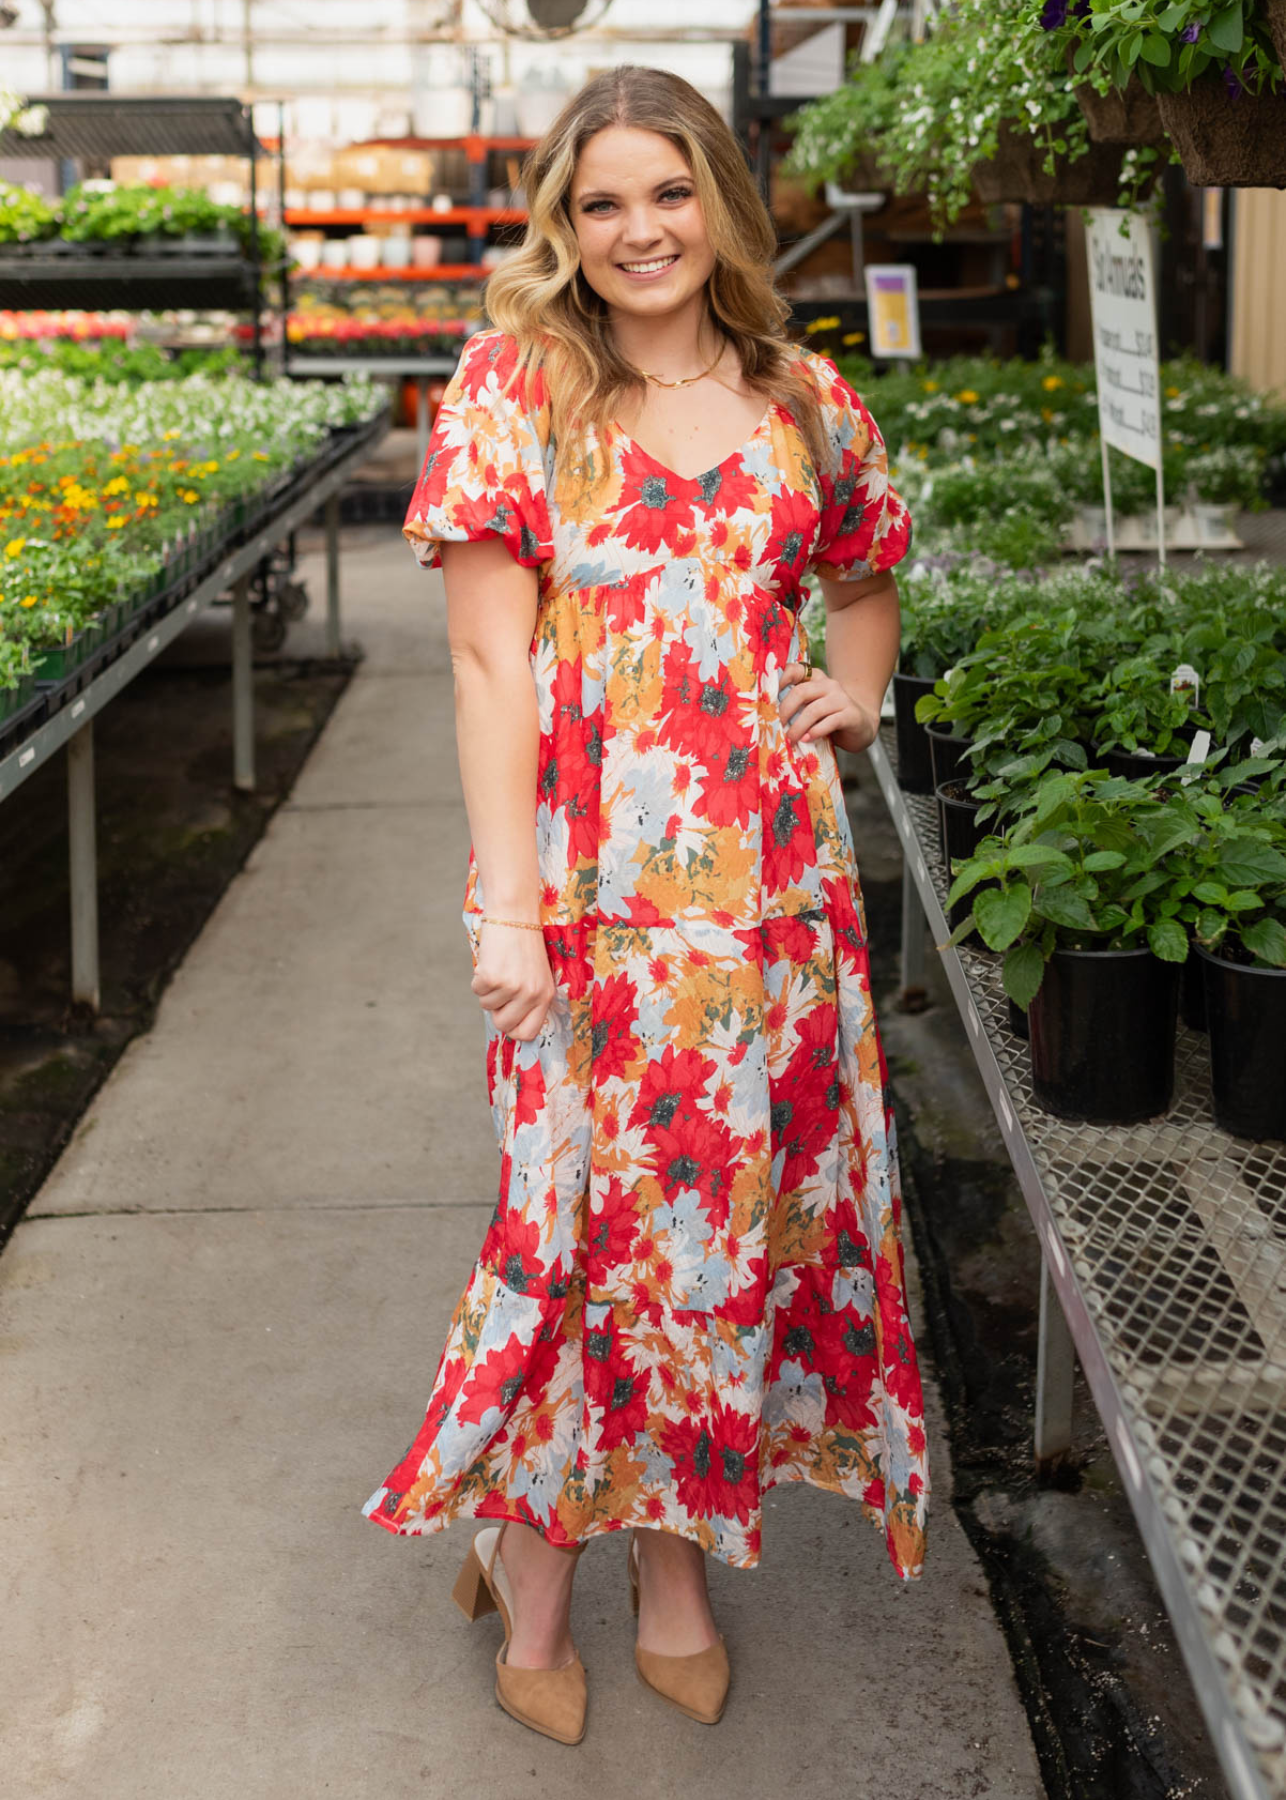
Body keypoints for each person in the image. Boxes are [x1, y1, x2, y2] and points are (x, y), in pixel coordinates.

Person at [362, 63, 929, 1746]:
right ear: (563, 223)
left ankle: (672, 1568)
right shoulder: (512, 393)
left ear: (720, 207)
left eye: (667, 192)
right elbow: (483, 663)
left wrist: (858, 692)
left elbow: (867, 569)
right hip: (587, 900)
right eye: (601, 201)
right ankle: (532, 1564)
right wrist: (511, 917)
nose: (638, 231)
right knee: (578, 1233)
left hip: (771, 904)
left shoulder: (807, 398)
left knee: (718, 1232)